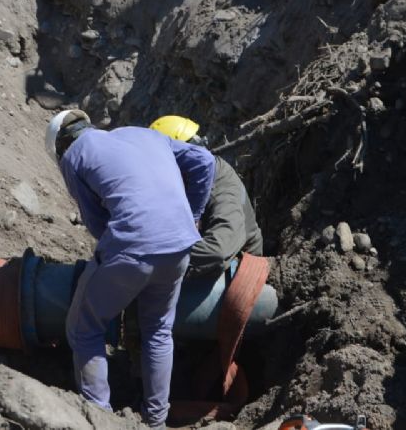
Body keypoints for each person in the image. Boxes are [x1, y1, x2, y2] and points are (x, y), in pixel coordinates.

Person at [45, 109, 215, 428]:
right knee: (159, 331)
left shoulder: (73, 157)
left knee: (85, 328)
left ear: (60, 146)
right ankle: (156, 421)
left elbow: (97, 223)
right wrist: (193, 214)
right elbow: (204, 161)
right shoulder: (143, 133)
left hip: (133, 248)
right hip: (180, 244)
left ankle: (99, 418)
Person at [149, 115, 263, 280]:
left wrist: (157, 258)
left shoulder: (220, 189)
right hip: (209, 264)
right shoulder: (187, 184)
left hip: (239, 275)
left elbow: (218, 251)